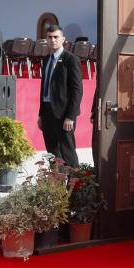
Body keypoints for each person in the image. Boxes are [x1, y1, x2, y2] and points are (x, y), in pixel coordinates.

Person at [38, 25, 83, 168]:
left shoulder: (71, 59)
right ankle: (56, 187)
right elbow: (44, 87)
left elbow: (77, 90)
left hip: (64, 115)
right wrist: (41, 115)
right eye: (50, 37)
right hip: (47, 112)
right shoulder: (46, 60)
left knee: (68, 152)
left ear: (63, 39)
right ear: (46, 39)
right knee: (52, 153)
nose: (53, 40)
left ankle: (75, 187)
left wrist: (71, 116)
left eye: (56, 37)